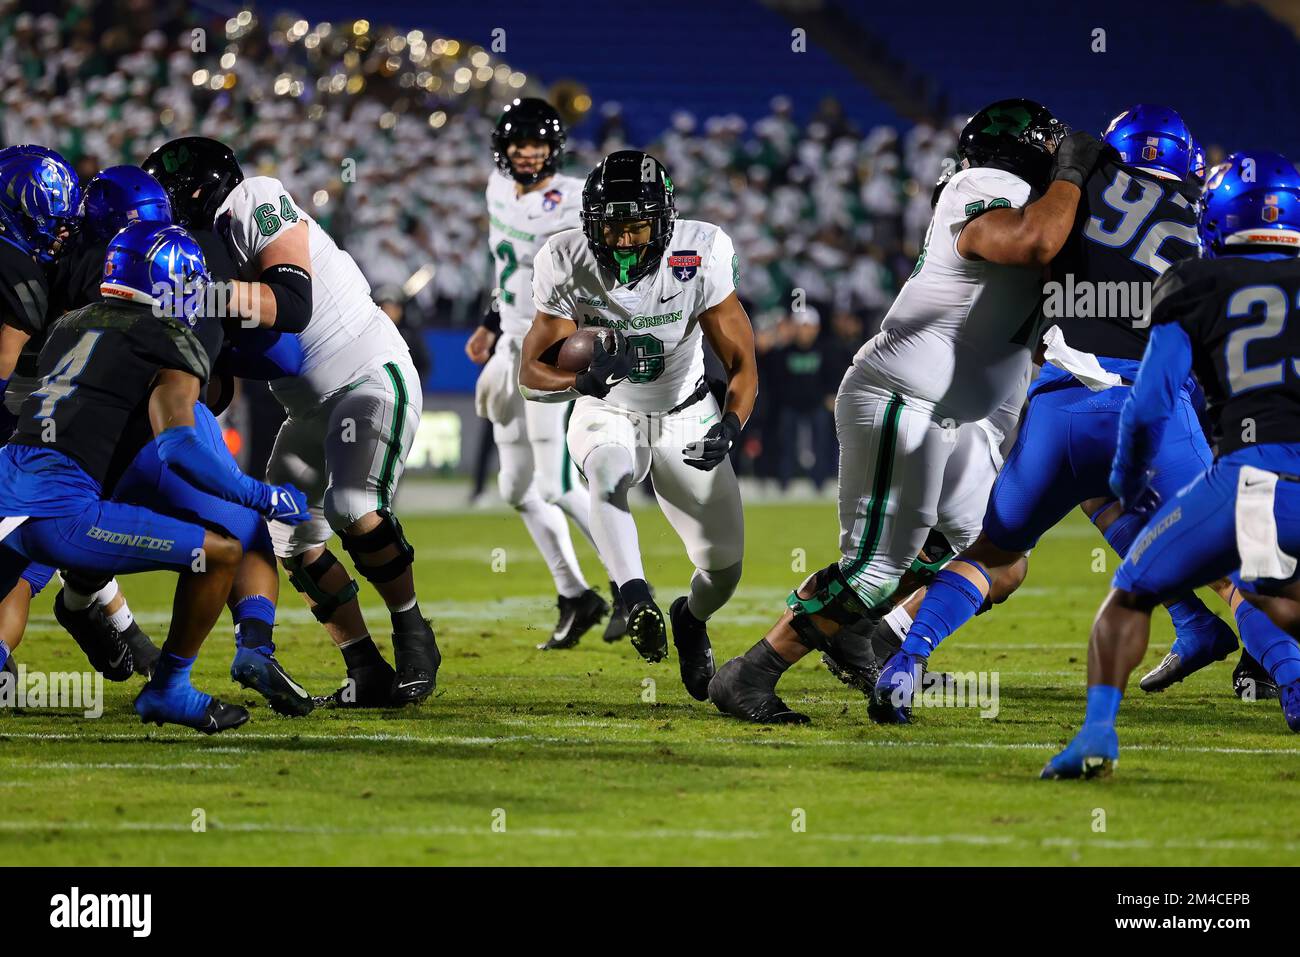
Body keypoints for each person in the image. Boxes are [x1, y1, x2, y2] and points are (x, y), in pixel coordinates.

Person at [708, 100, 1100, 723]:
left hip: (954, 413)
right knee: (875, 569)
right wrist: (1074, 173)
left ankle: (880, 638)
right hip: (902, 395)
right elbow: (1033, 239)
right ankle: (751, 673)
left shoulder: (1027, 201)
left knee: (995, 557)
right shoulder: (983, 187)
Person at [145, 136, 441, 708]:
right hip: (305, 407)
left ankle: (412, 630)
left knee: (354, 504)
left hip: (367, 374)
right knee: (289, 536)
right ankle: (365, 666)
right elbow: (221, 388)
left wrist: (202, 297)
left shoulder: (253, 198)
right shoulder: (195, 260)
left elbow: (292, 301)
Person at [1043, 150, 1300, 777]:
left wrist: (1128, 479)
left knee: (1130, 592)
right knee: (1276, 594)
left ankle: (1098, 736)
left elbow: (1151, 403)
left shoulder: (1194, 283)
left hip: (1257, 480)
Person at [0, 223, 309, 732]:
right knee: (222, 552)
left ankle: (83, 607)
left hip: (10, 491)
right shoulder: (169, 336)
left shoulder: (70, 323)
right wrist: (261, 494)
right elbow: (180, 447)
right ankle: (169, 689)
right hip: (59, 513)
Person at [518, 150, 757, 700]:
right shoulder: (563, 257)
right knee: (607, 475)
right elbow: (531, 372)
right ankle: (634, 595)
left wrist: (733, 422)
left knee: (723, 570)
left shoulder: (703, 251)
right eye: (613, 226)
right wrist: (577, 384)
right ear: (590, 223)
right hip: (609, 408)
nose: (625, 240)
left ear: (665, 220)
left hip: (684, 409)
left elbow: (742, 361)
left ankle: (689, 618)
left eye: (637, 225)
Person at [464, 99, 615, 649]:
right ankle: (576, 594)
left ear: (555, 150)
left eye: (538, 147)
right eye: (519, 147)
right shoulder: (496, 188)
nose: (528, 156)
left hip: (550, 348)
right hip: (508, 344)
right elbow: (507, 265)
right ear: (502, 151)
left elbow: (600, 272)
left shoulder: (577, 198)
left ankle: (629, 585)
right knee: (517, 489)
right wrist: (489, 321)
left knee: (555, 483)